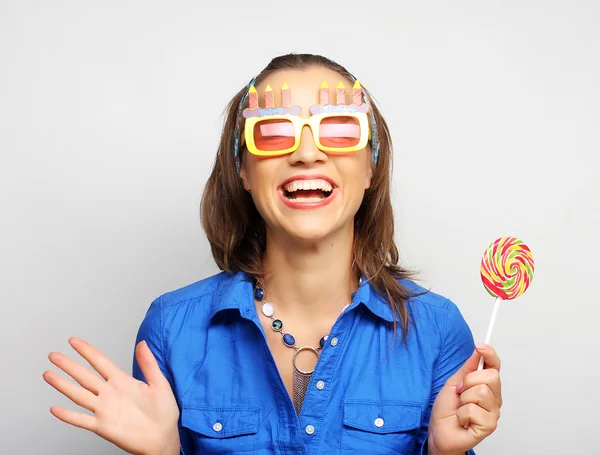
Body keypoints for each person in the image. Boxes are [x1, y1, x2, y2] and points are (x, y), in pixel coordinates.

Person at [43, 53, 502, 455]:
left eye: (339, 130)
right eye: (275, 132)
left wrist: (444, 453)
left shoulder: (438, 332)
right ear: (243, 168)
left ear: (371, 166)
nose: (306, 152)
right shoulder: (170, 328)